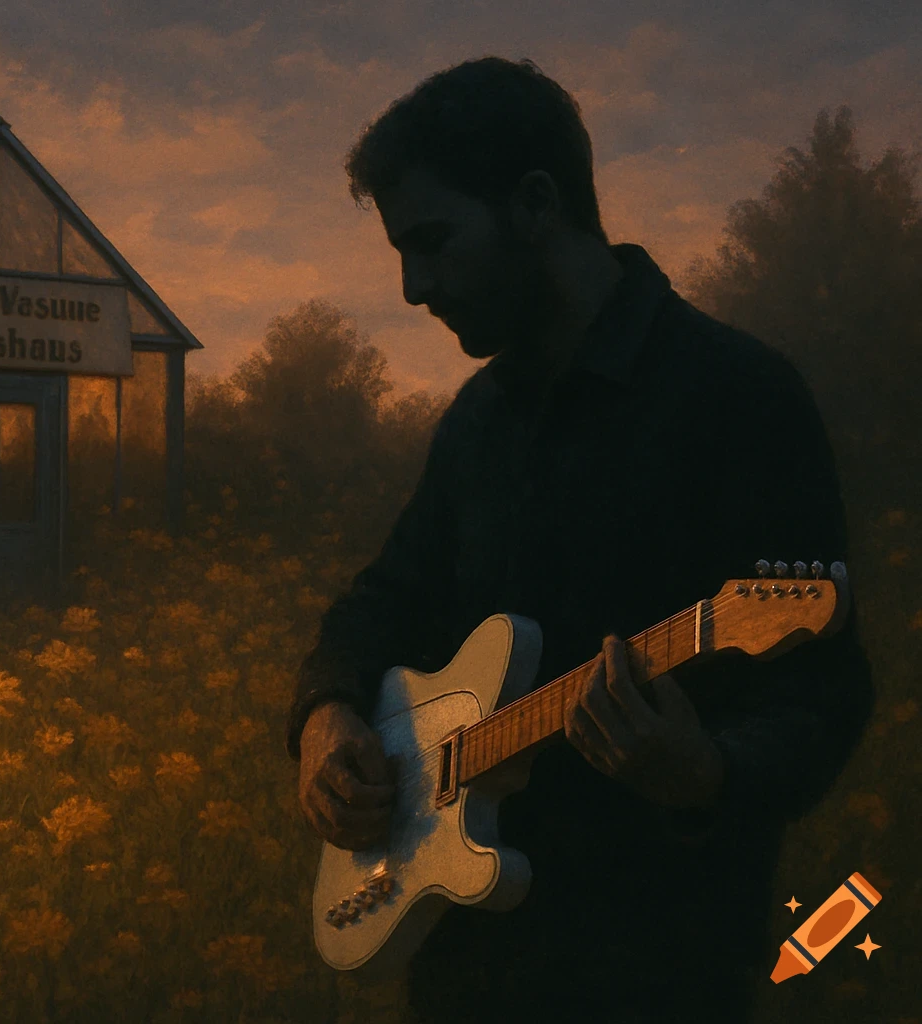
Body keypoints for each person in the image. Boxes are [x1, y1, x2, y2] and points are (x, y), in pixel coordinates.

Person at [286, 56, 874, 1023]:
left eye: (432, 241)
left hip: (654, 973)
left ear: (533, 203)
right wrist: (325, 715)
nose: (411, 286)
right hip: (465, 973)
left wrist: (706, 774)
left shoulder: (740, 396)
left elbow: (827, 689)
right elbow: (383, 601)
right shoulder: (477, 421)